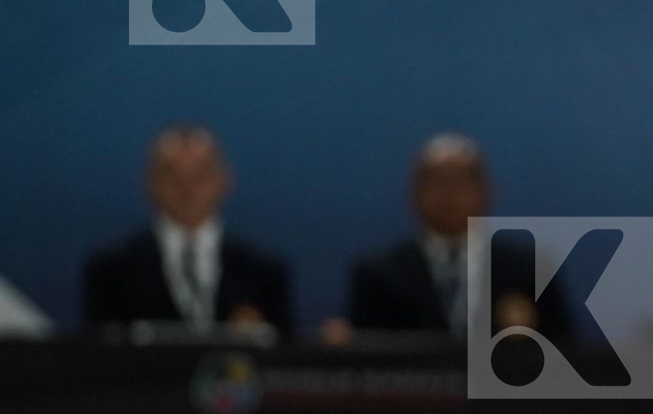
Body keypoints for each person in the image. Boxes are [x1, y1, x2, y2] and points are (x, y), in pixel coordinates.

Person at [340, 134, 571, 340]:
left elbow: (566, 352)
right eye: (437, 182)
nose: (450, 195)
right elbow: (366, 359)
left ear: (486, 191)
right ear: (414, 194)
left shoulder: (527, 270)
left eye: (461, 182)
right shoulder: (380, 272)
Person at [83, 125, 291, 334]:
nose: (187, 187)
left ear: (224, 180)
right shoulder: (112, 271)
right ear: (150, 182)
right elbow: (94, 357)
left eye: (200, 174)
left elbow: (285, 356)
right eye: (172, 174)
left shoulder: (264, 273)